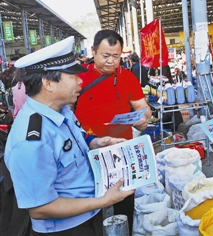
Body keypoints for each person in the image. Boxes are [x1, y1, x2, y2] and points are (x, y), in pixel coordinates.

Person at [4, 36, 134, 235]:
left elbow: (77, 141)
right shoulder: (31, 141)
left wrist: (96, 143)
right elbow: (40, 208)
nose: (80, 80)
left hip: (90, 216)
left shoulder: (62, 111)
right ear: (48, 84)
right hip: (67, 229)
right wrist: (104, 201)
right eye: (73, 76)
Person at [74, 30, 151, 234]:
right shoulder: (78, 77)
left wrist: (142, 119)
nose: (110, 62)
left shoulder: (127, 77)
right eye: (105, 56)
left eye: (115, 56)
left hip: (120, 155)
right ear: (93, 51)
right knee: (90, 207)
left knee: (124, 206)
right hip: (86, 154)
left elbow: (143, 107)